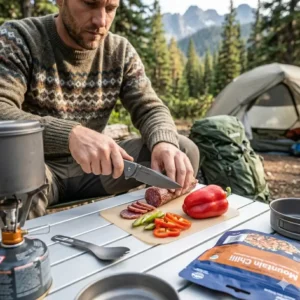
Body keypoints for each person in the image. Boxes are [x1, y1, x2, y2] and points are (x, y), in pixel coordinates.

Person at [0, 0, 200, 219]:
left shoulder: (119, 51)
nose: (101, 21)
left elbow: (149, 107)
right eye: (89, 4)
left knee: (181, 151)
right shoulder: (20, 38)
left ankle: (156, 233)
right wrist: (70, 134)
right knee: (14, 177)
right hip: (38, 168)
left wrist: (164, 142)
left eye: (110, 8)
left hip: (98, 171)